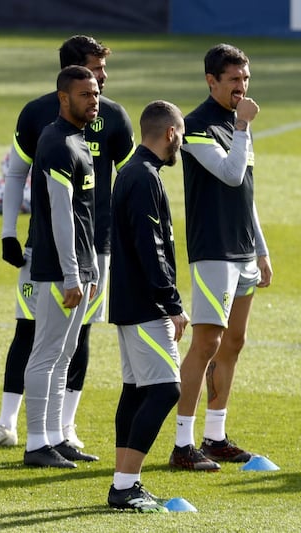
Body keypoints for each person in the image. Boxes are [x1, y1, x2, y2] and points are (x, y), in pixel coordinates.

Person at [0, 35, 134, 451]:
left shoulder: (114, 117)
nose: (101, 81)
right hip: (48, 249)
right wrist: (8, 231)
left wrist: (119, 245)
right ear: (69, 79)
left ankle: (63, 429)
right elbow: (16, 175)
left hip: (95, 248)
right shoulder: (40, 118)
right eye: (94, 73)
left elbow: (132, 184)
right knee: (31, 333)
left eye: (101, 76)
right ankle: (11, 425)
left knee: (77, 337)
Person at [169, 43, 272, 470]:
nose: (241, 87)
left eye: (245, 79)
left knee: (234, 341)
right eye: (233, 80)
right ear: (211, 81)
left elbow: (246, 196)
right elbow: (229, 176)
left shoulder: (236, 124)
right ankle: (181, 444)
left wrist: (262, 250)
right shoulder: (195, 127)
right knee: (207, 343)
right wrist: (244, 127)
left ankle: (215, 437)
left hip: (245, 250)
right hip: (214, 250)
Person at [108, 100, 187, 512]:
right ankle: (125, 485)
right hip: (145, 305)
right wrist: (172, 302)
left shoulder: (135, 172)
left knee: (137, 391)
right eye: (181, 134)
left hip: (130, 302)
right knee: (165, 389)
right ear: (170, 133)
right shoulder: (143, 177)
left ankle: (124, 481)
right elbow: (150, 246)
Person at [22, 65, 99, 468]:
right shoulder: (55, 142)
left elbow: (82, 215)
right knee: (46, 353)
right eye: (85, 94)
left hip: (79, 267)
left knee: (65, 352)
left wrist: (90, 267)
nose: (94, 98)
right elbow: (59, 214)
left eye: (96, 92)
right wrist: (72, 272)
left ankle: (55, 437)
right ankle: (36, 443)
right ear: (63, 98)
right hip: (58, 270)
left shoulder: (78, 140)